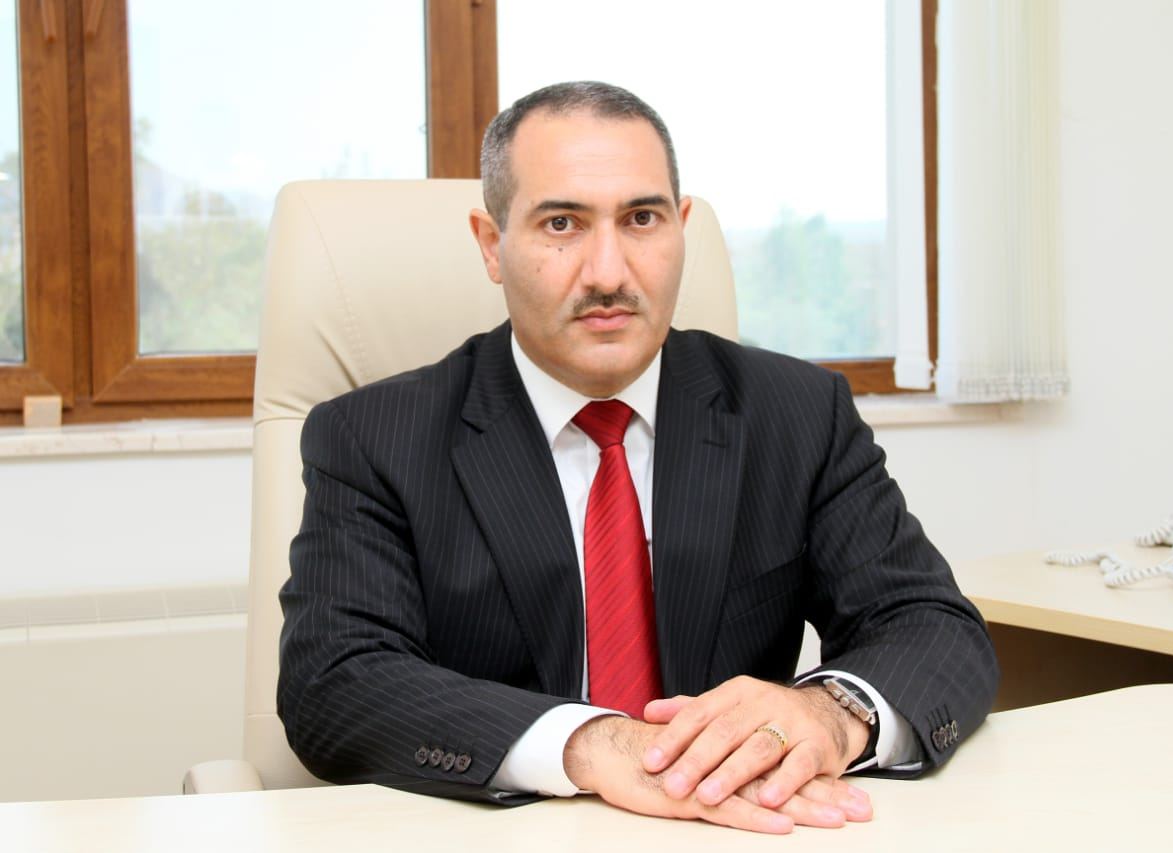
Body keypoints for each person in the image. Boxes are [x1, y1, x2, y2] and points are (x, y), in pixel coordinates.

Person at [278, 81, 999, 835]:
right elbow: (334, 682)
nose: (608, 273)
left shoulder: (796, 413)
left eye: (642, 219)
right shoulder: (374, 437)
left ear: (681, 229)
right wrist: (593, 743)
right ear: (492, 244)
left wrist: (829, 711)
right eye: (562, 223)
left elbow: (930, 623)